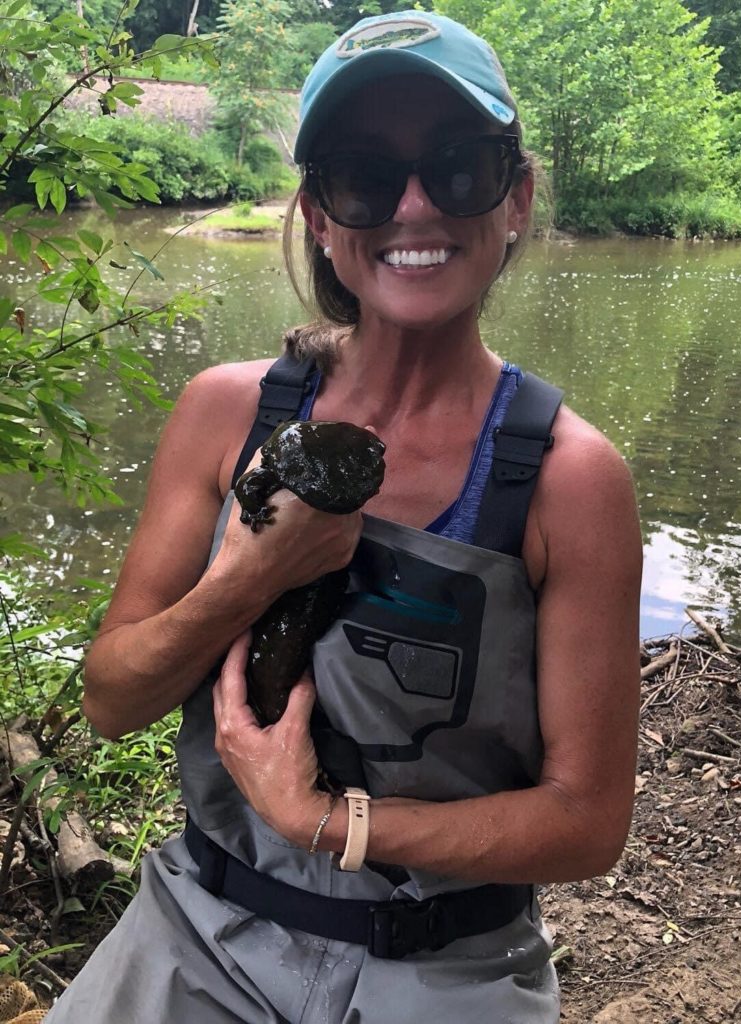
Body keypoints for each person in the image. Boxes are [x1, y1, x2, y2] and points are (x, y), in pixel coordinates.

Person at [44, 11, 642, 1023]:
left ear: (515, 198)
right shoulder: (226, 412)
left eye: (458, 168)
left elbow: (587, 823)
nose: (412, 208)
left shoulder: (572, 480)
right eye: (364, 176)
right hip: (203, 921)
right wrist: (252, 576)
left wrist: (330, 821)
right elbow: (111, 699)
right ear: (320, 213)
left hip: (448, 962)